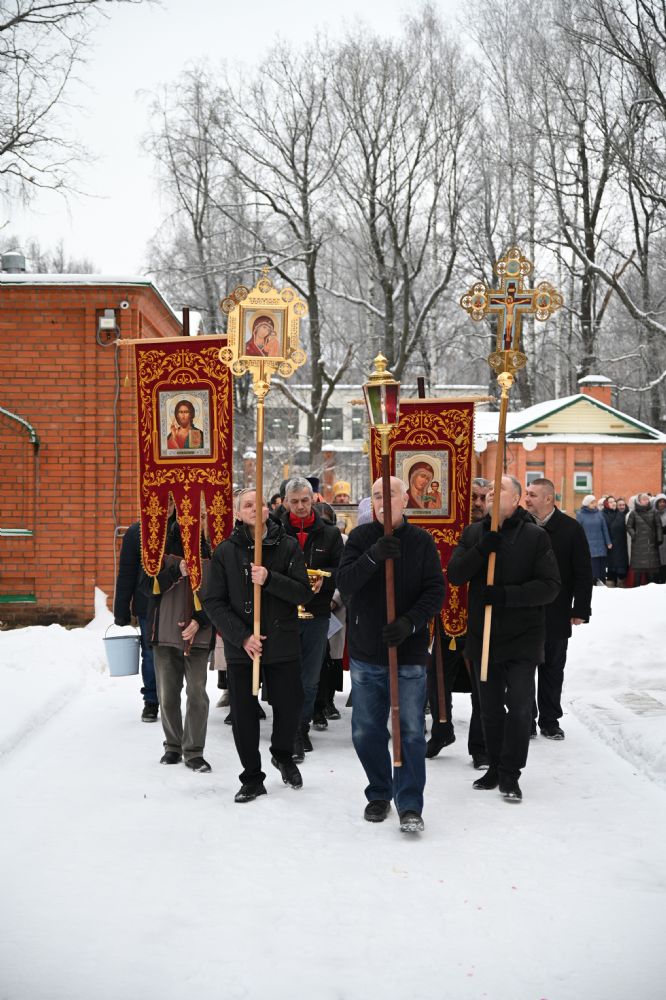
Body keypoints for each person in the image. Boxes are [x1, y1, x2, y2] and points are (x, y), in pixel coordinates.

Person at [337, 476, 446, 834]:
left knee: (410, 730)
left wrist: (410, 623)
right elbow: (345, 582)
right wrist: (373, 556)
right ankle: (380, 791)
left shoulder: (421, 541)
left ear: (406, 500)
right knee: (366, 730)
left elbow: (435, 591)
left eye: (391, 494)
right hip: (367, 652)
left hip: (408, 653)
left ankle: (410, 802)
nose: (384, 501)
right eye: (377, 495)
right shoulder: (360, 538)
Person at [447, 475, 560, 802]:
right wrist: (482, 549)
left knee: (521, 708)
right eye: (489, 494)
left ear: (515, 500)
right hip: (484, 637)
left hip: (523, 637)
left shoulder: (535, 536)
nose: (491, 498)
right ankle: (495, 766)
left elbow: (550, 586)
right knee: (490, 708)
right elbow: (456, 574)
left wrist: (506, 595)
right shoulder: (474, 534)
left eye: (500, 492)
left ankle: (511, 773)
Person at [202, 489, 311, 802]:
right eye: (247, 505)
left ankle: (283, 755)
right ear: (238, 513)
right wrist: (242, 637)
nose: (254, 508)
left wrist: (270, 579)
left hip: (282, 641)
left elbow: (303, 593)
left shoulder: (287, 545)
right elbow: (213, 601)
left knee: (290, 705)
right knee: (244, 715)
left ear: (267, 510)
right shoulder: (226, 551)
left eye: (259, 503)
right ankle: (251, 776)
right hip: (243, 648)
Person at [278, 477, 344, 760]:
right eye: (294, 502)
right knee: (284, 675)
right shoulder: (274, 531)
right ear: (285, 502)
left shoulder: (330, 533)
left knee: (309, 678)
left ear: (314, 499)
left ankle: (300, 727)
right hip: (282, 614)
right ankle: (286, 727)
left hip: (317, 613)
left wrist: (322, 580)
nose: (300, 506)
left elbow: (341, 570)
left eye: (305, 500)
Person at [426, 477, 489, 768]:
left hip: (480, 615)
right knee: (437, 678)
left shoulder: (493, 532)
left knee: (482, 683)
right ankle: (441, 730)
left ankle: (481, 746)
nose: (477, 504)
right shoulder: (446, 527)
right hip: (445, 612)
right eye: (473, 497)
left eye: (483, 498)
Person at [524, 478, 593, 740]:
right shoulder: (520, 524)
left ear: (548, 498)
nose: (527, 499)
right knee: (523, 668)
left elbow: (583, 572)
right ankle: (526, 719)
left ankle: (550, 720)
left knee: (552, 667)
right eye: (526, 493)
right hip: (523, 610)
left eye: (532, 495)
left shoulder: (570, 528)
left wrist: (581, 608)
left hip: (557, 610)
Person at [145, 513, 214, 772]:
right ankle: (173, 746)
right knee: (167, 694)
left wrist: (200, 620)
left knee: (197, 693)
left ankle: (194, 751)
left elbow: (222, 595)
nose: (195, 520)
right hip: (164, 631)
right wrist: (176, 570)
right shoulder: (159, 545)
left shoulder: (215, 548)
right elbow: (147, 587)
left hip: (199, 633)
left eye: (202, 515)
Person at [113, 521, 159, 722]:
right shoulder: (137, 532)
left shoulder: (182, 526)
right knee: (150, 653)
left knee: (174, 654)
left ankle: (170, 699)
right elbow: (127, 572)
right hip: (146, 603)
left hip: (176, 603)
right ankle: (151, 700)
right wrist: (121, 608)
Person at [626, 493, 663, 586]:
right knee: (638, 569)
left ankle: (652, 587)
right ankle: (637, 588)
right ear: (639, 501)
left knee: (651, 568)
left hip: (651, 543)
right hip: (638, 545)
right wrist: (634, 535)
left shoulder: (654, 512)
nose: (646, 501)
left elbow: (658, 526)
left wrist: (659, 539)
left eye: (647, 499)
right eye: (644, 499)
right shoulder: (633, 513)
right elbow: (629, 526)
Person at [576, 495, 611, 583]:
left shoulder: (599, 513)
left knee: (602, 567)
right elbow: (577, 531)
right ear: (586, 503)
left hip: (601, 545)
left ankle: (602, 583)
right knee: (592, 567)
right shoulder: (580, 514)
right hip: (588, 545)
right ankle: (592, 584)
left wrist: (608, 542)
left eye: (595, 502)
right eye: (592, 502)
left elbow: (604, 529)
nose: (594, 504)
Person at [602, 496, 629, 587]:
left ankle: (621, 584)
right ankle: (611, 585)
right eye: (610, 502)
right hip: (609, 545)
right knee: (611, 566)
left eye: (614, 501)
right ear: (606, 504)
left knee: (621, 566)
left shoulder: (621, 514)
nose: (613, 503)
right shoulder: (603, 514)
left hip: (621, 545)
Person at [655, 494, 666, 583]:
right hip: (656, 542)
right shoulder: (654, 513)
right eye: (660, 502)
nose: (662, 504)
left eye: (664, 502)